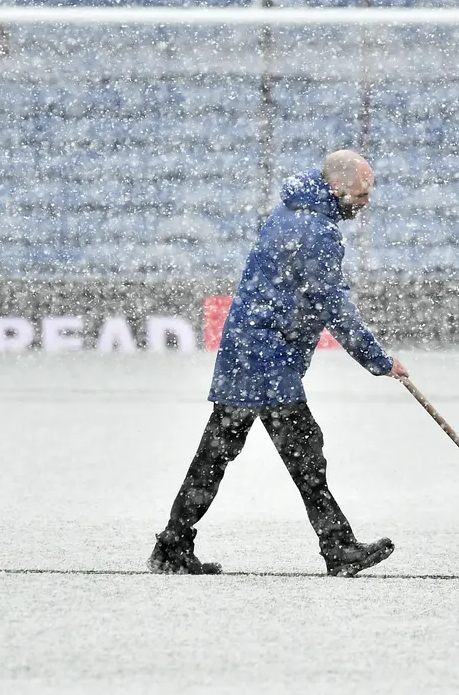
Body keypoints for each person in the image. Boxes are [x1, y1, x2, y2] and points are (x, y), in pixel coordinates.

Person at [149, 149, 409, 577]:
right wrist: (379, 360)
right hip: (266, 361)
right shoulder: (317, 231)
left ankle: (173, 545)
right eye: (362, 195)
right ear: (337, 187)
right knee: (305, 453)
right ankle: (338, 547)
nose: (366, 203)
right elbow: (334, 307)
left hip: (246, 351)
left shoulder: (289, 213)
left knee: (216, 454)